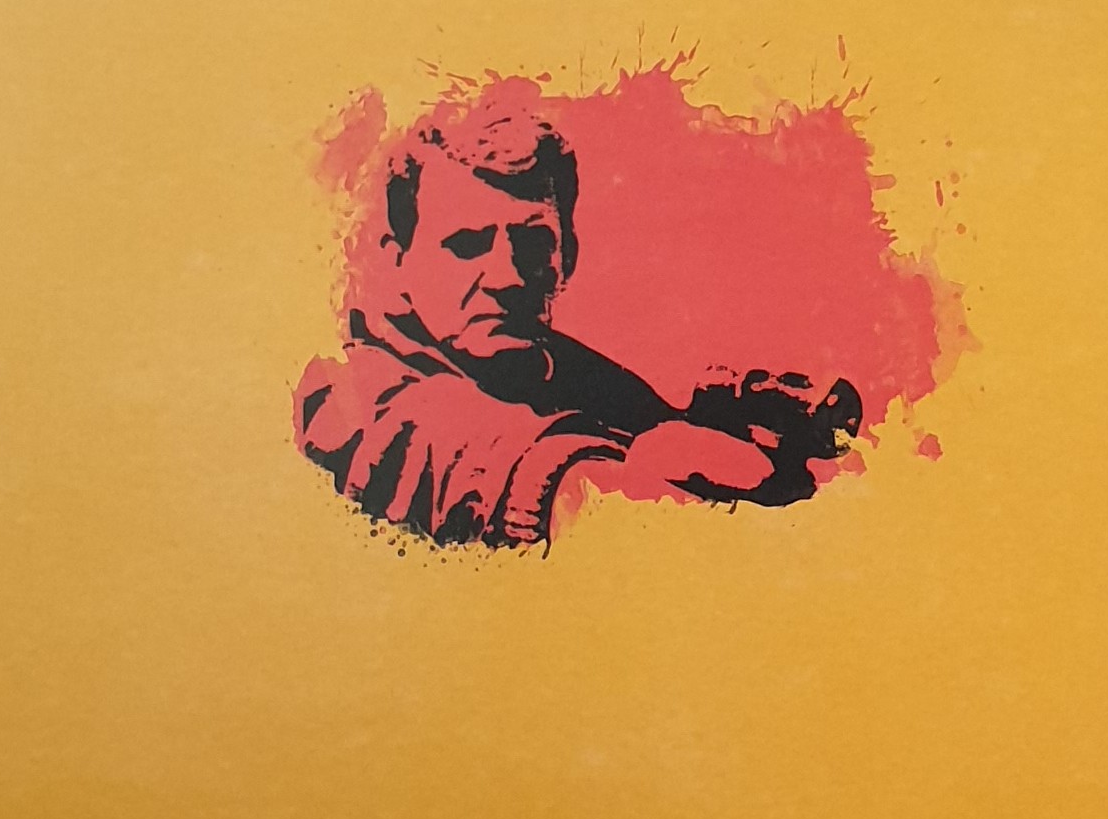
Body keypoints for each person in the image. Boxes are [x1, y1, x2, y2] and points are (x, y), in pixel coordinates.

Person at [294, 101, 861, 548]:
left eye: (532, 243)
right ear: (396, 260)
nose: (508, 277)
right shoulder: (350, 395)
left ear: (568, 255)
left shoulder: (558, 369)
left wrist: (726, 427)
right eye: (466, 245)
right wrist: (613, 475)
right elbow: (450, 453)